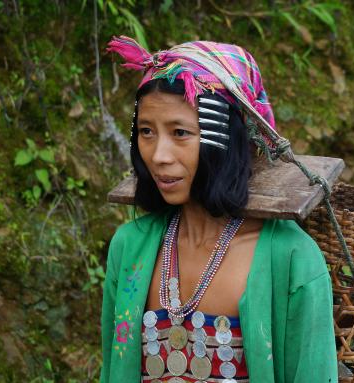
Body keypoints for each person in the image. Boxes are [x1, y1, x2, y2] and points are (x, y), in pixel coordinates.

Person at [101, 37, 338, 383]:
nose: (158, 155)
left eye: (180, 132)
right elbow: (112, 369)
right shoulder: (128, 247)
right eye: (146, 132)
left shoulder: (291, 257)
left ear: (224, 137)